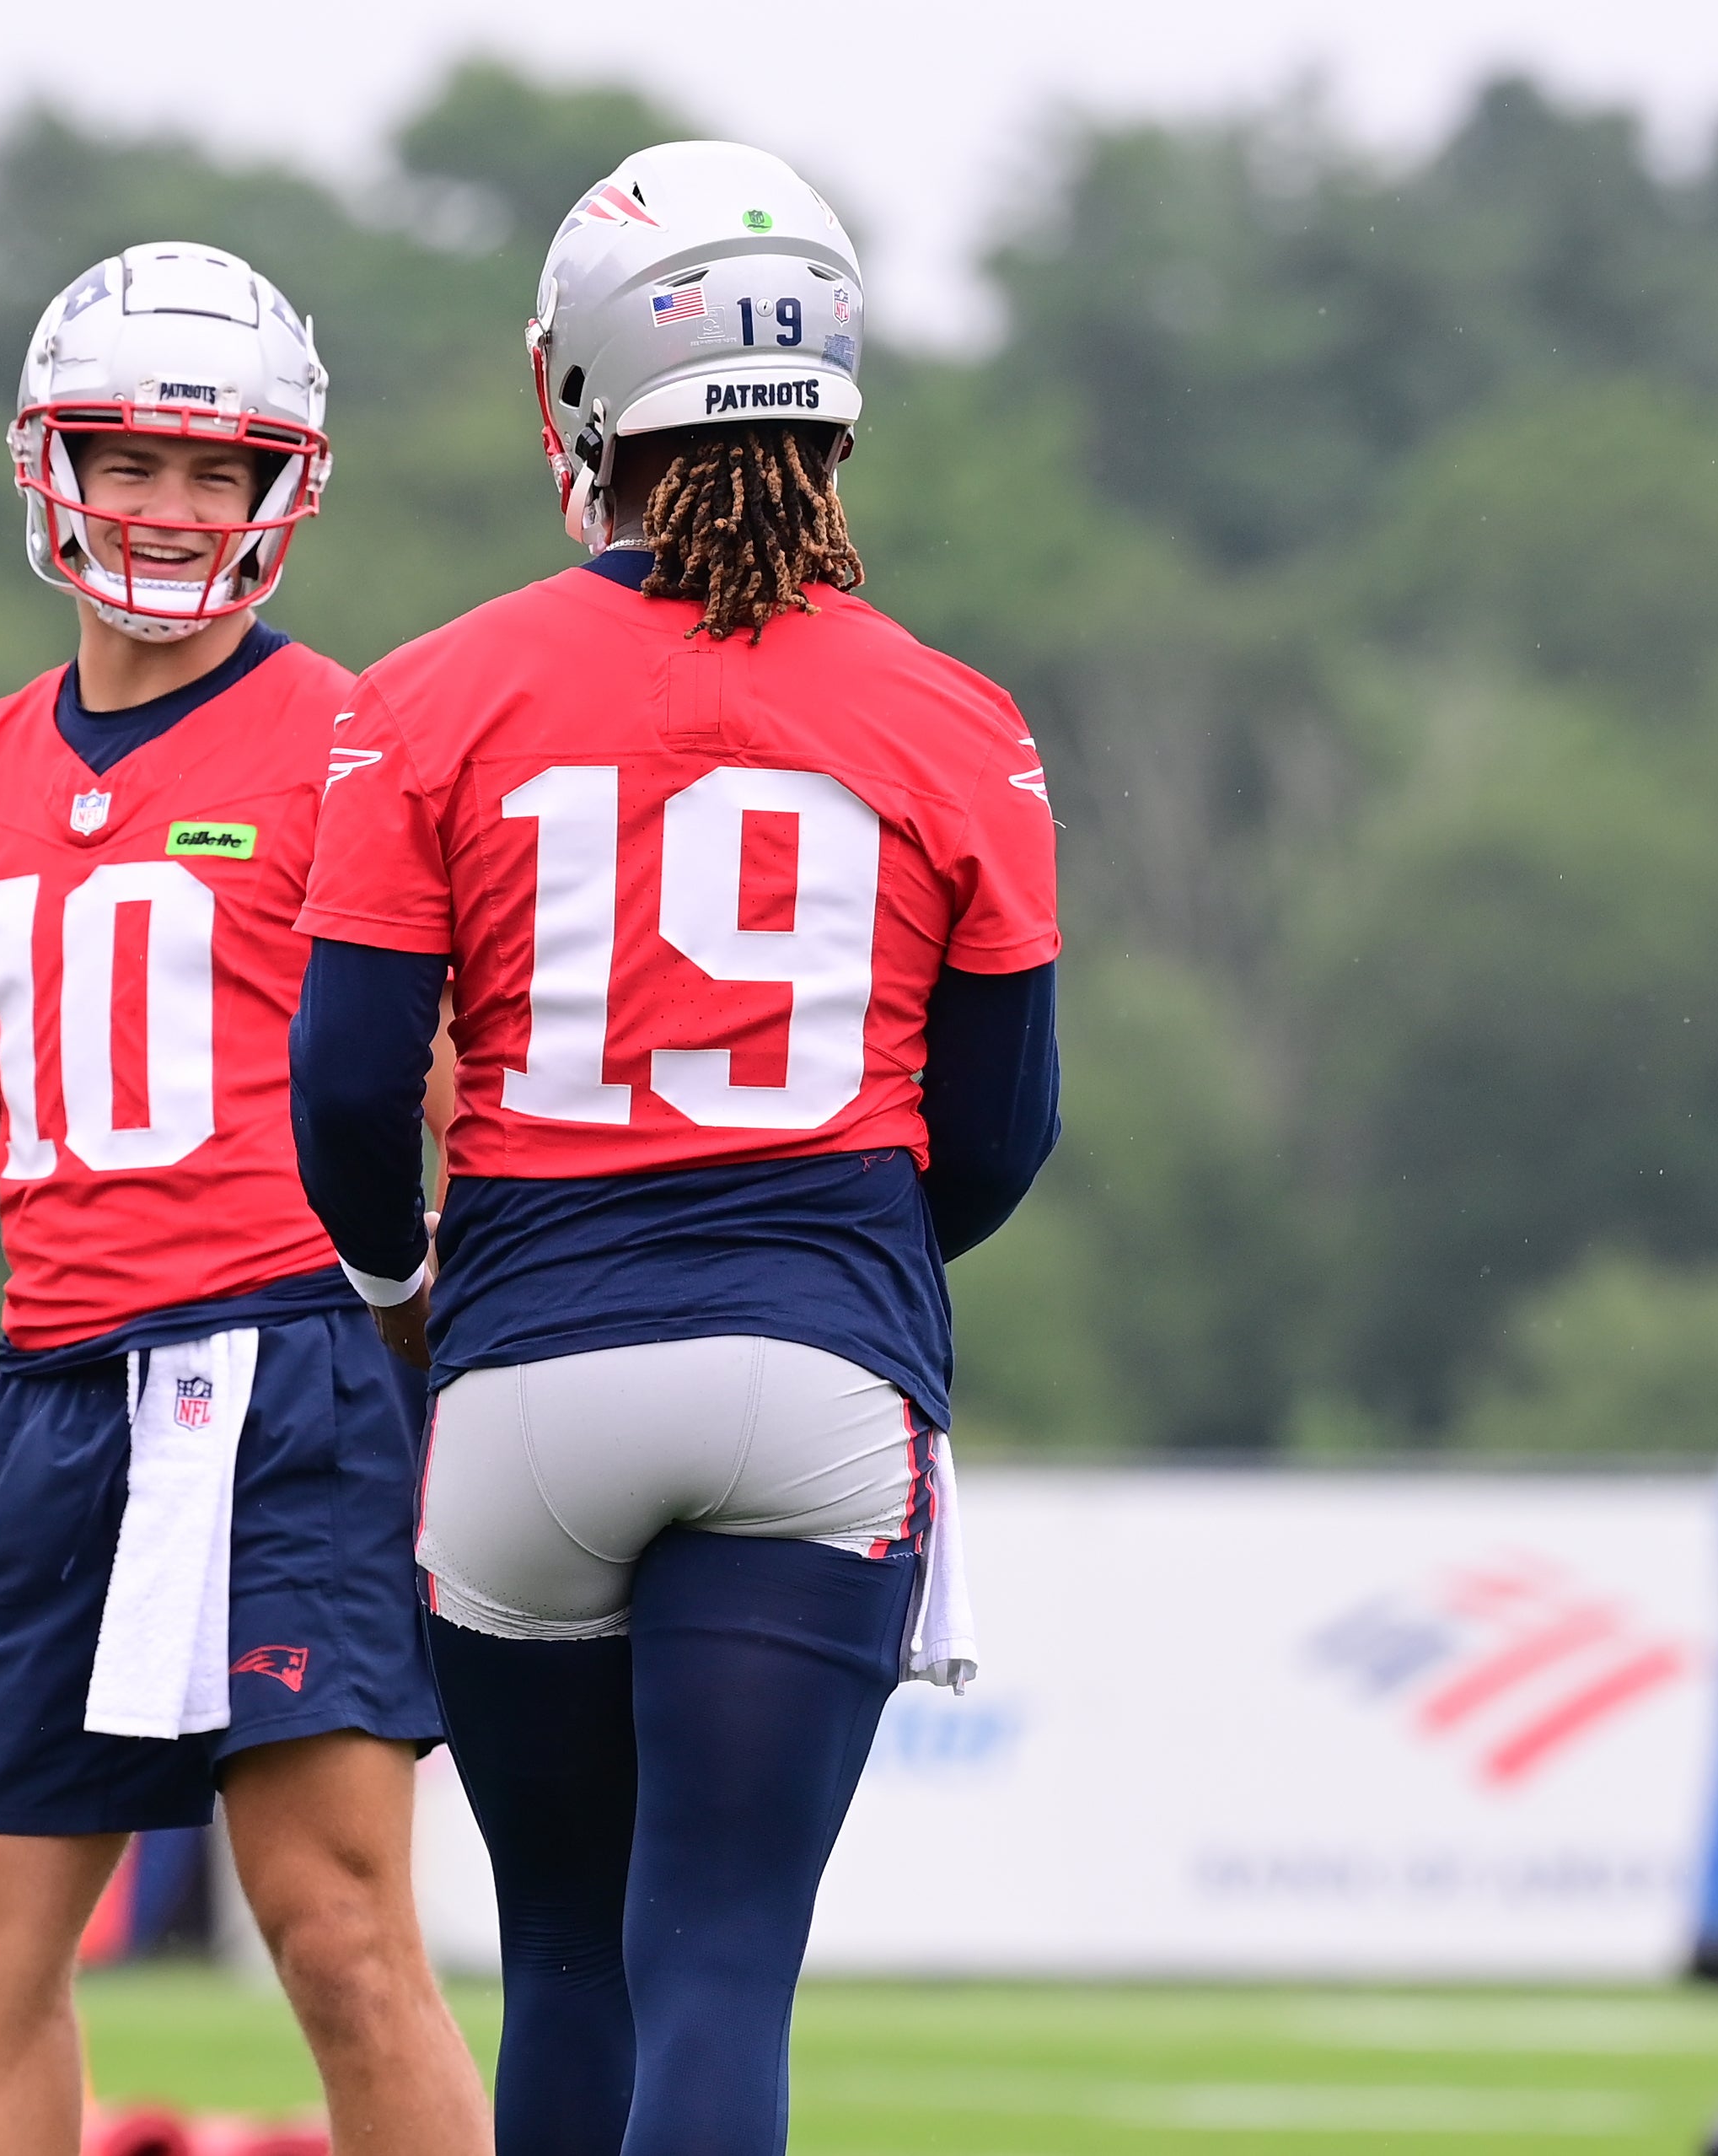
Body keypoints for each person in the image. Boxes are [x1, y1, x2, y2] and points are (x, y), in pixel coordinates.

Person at [287, 143, 1063, 2153]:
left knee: (561, 1954)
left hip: (528, 1373)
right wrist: (840, 1269)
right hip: (809, 1370)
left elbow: (350, 1086)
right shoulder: (950, 715)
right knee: (713, 1954)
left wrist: (400, 1291)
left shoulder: (431, 692)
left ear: (580, 393)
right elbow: (995, 1129)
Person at [0, 241, 488, 2156]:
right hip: (52, 1401)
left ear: (284, 490)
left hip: (289, 1371)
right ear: (51, 465)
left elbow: (448, 1109)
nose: (170, 506)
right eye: (131, 460)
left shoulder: (356, 740)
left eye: (218, 470)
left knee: (339, 1929)